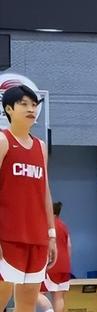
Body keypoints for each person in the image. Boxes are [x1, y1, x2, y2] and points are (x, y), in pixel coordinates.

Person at [0, 85, 57, 312]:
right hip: (7, 237)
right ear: (9, 109)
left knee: (27, 305)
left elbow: (45, 191)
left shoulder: (40, 147)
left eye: (34, 104)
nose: (31, 109)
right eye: (23, 104)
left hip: (36, 237)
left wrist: (51, 235)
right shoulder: (3, 140)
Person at [39, 201, 72, 312]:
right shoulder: (64, 226)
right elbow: (69, 246)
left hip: (51, 265)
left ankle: (48, 310)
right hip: (65, 266)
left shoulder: (47, 225)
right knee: (59, 297)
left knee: (37, 293)